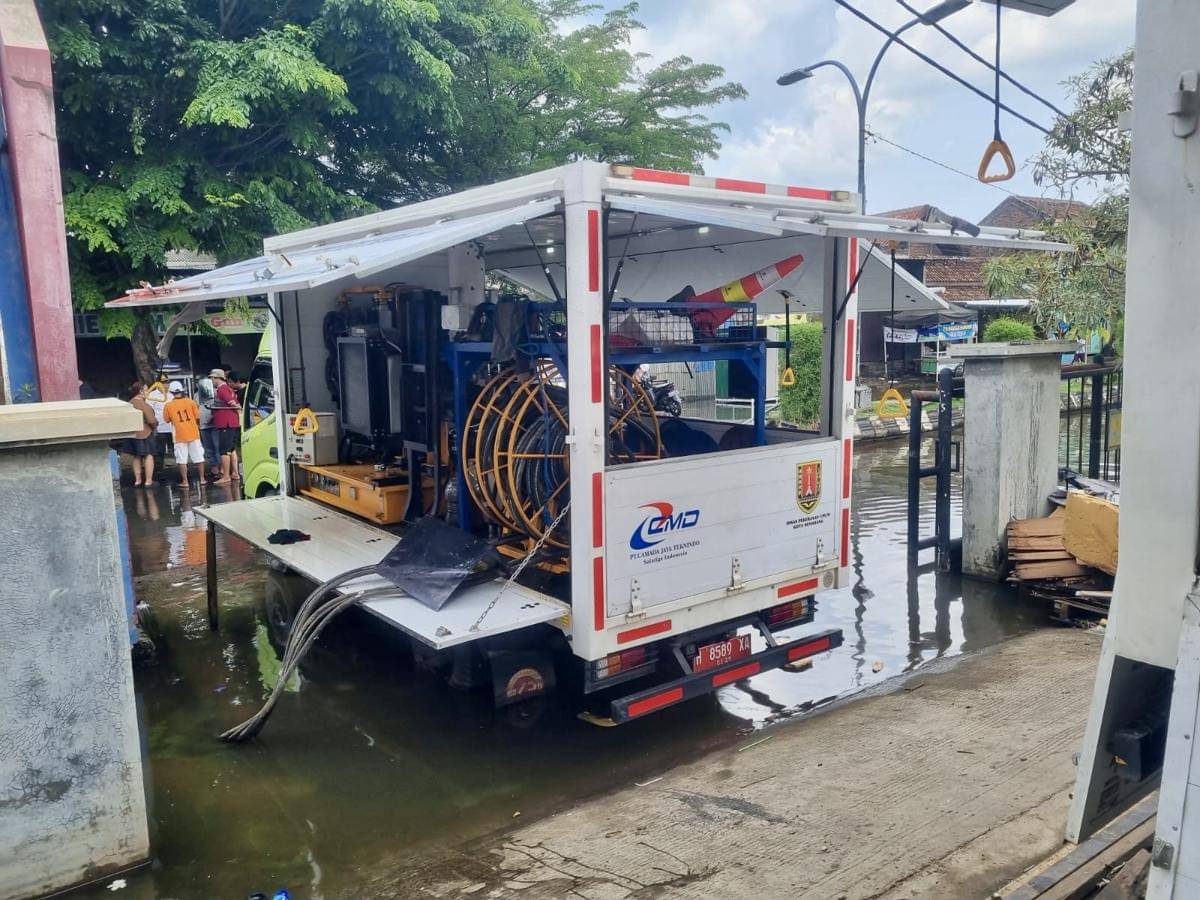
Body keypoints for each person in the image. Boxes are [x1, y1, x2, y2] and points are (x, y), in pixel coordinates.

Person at [162, 381, 205, 487]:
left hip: (179, 435)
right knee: (199, 457)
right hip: (193, 433)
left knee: (181, 459)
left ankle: (185, 481)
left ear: (171, 392)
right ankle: (202, 478)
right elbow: (197, 416)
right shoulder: (190, 402)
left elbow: (167, 419)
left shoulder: (168, 405)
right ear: (182, 390)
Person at [119, 381, 158, 486]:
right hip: (145, 433)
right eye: (146, 390)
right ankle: (149, 480)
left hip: (132, 434)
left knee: (136, 456)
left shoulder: (129, 403)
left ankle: (138, 480)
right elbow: (151, 420)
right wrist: (155, 426)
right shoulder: (143, 404)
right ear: (141, 391)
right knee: (148, 455)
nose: (148, 392)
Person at [209, 368, 242, 484]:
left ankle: (226, 475)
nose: (211, 380)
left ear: (217, 378)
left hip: (226, 424)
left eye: (212, 378)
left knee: (224, 450)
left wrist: (239, 414)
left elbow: (233, 403)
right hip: (231, 422)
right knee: (231, 449)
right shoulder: (228, 388)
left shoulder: (222, 389)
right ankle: (235, 473)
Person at [195, 376, 222, 482]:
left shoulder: (215, 392)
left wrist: (212, 417)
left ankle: (222, 468)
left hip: (214, 424)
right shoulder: (196, 395)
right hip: (202, 425)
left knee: (217, 447)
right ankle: (214, 468)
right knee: (208, 448)